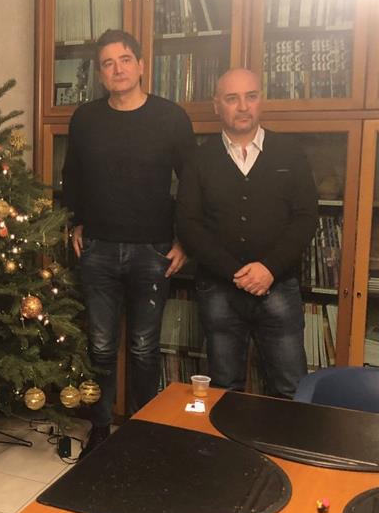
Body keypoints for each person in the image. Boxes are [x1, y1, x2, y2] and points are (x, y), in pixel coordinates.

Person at [61, 29, 194, 458]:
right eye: (107, 63)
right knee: (100, 348)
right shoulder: (85, 118)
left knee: (143, 348)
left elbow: (193, 184)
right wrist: (77, 222)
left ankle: (141, 432)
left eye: (124, 60)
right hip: (97, 250)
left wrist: (185, 241)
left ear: (140, 65)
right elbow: (72, 177)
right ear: (100, 74)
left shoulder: (171, 118)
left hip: (152, 252)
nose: (117, 69)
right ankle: (100, 428)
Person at [176, 68, 317, 398]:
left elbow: (306, 217)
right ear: (217, 105)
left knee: (291, 388)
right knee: (224, 388)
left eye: (250, 97)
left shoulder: (290, 153)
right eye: (232, 98)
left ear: (260, 101)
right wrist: (235, 273)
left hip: (278, 285)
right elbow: (188, 223)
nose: (243, 106)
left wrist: (268, 268)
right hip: (219, 290)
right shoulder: (199, 158)